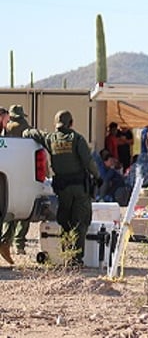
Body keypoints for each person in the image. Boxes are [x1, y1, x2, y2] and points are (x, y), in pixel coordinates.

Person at [24, 110, 100, 266]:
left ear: (56, 124)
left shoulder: (51, 138)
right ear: (71, 123)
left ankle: (66, 256)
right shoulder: (77, 139)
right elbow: (88, 162)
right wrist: (98, 177)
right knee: (80, 222)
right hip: (79, 189)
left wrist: (24, 129)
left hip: (62, 189)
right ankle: (76, 260)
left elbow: (31, 133)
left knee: (65, 222)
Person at [0, 105, 32, 260]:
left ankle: (6, 241)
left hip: (6, 174)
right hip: (23, 174)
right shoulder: (26, 128)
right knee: (21, 213)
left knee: (6, 211)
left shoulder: (5, 129)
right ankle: (18, 244)